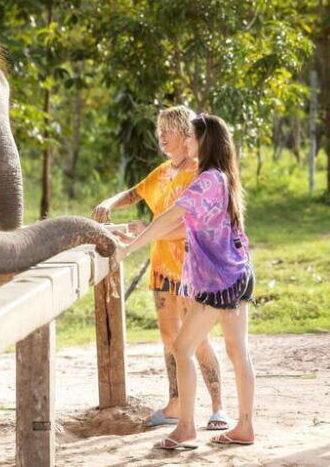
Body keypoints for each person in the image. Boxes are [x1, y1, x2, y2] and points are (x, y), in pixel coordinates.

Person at [115, 113, 255, 450]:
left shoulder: (207, 181)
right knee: (238, 353)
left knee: (182, 347)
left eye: (191, 137)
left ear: (204, 141)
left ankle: (187, 429)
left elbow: (169, 218)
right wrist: (143, 234)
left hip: (220, 282)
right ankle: (244, 428)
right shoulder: (221, 177)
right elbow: (181, 226)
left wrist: (130, 248)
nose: (187, 142)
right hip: (237, 274)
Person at [93, 106, 227, 430]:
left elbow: (195, 226)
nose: (161, 138)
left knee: (196, 339)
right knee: (170, 337)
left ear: (186, 135)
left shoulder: (200, 173)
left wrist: (148, 232)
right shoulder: (164, 171)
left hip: (193, 269)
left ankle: (218, 406)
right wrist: (109, 203)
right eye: (159, 132)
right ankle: (175, 404)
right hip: (162, 269)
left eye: (168, 131)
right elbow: (134, 192)